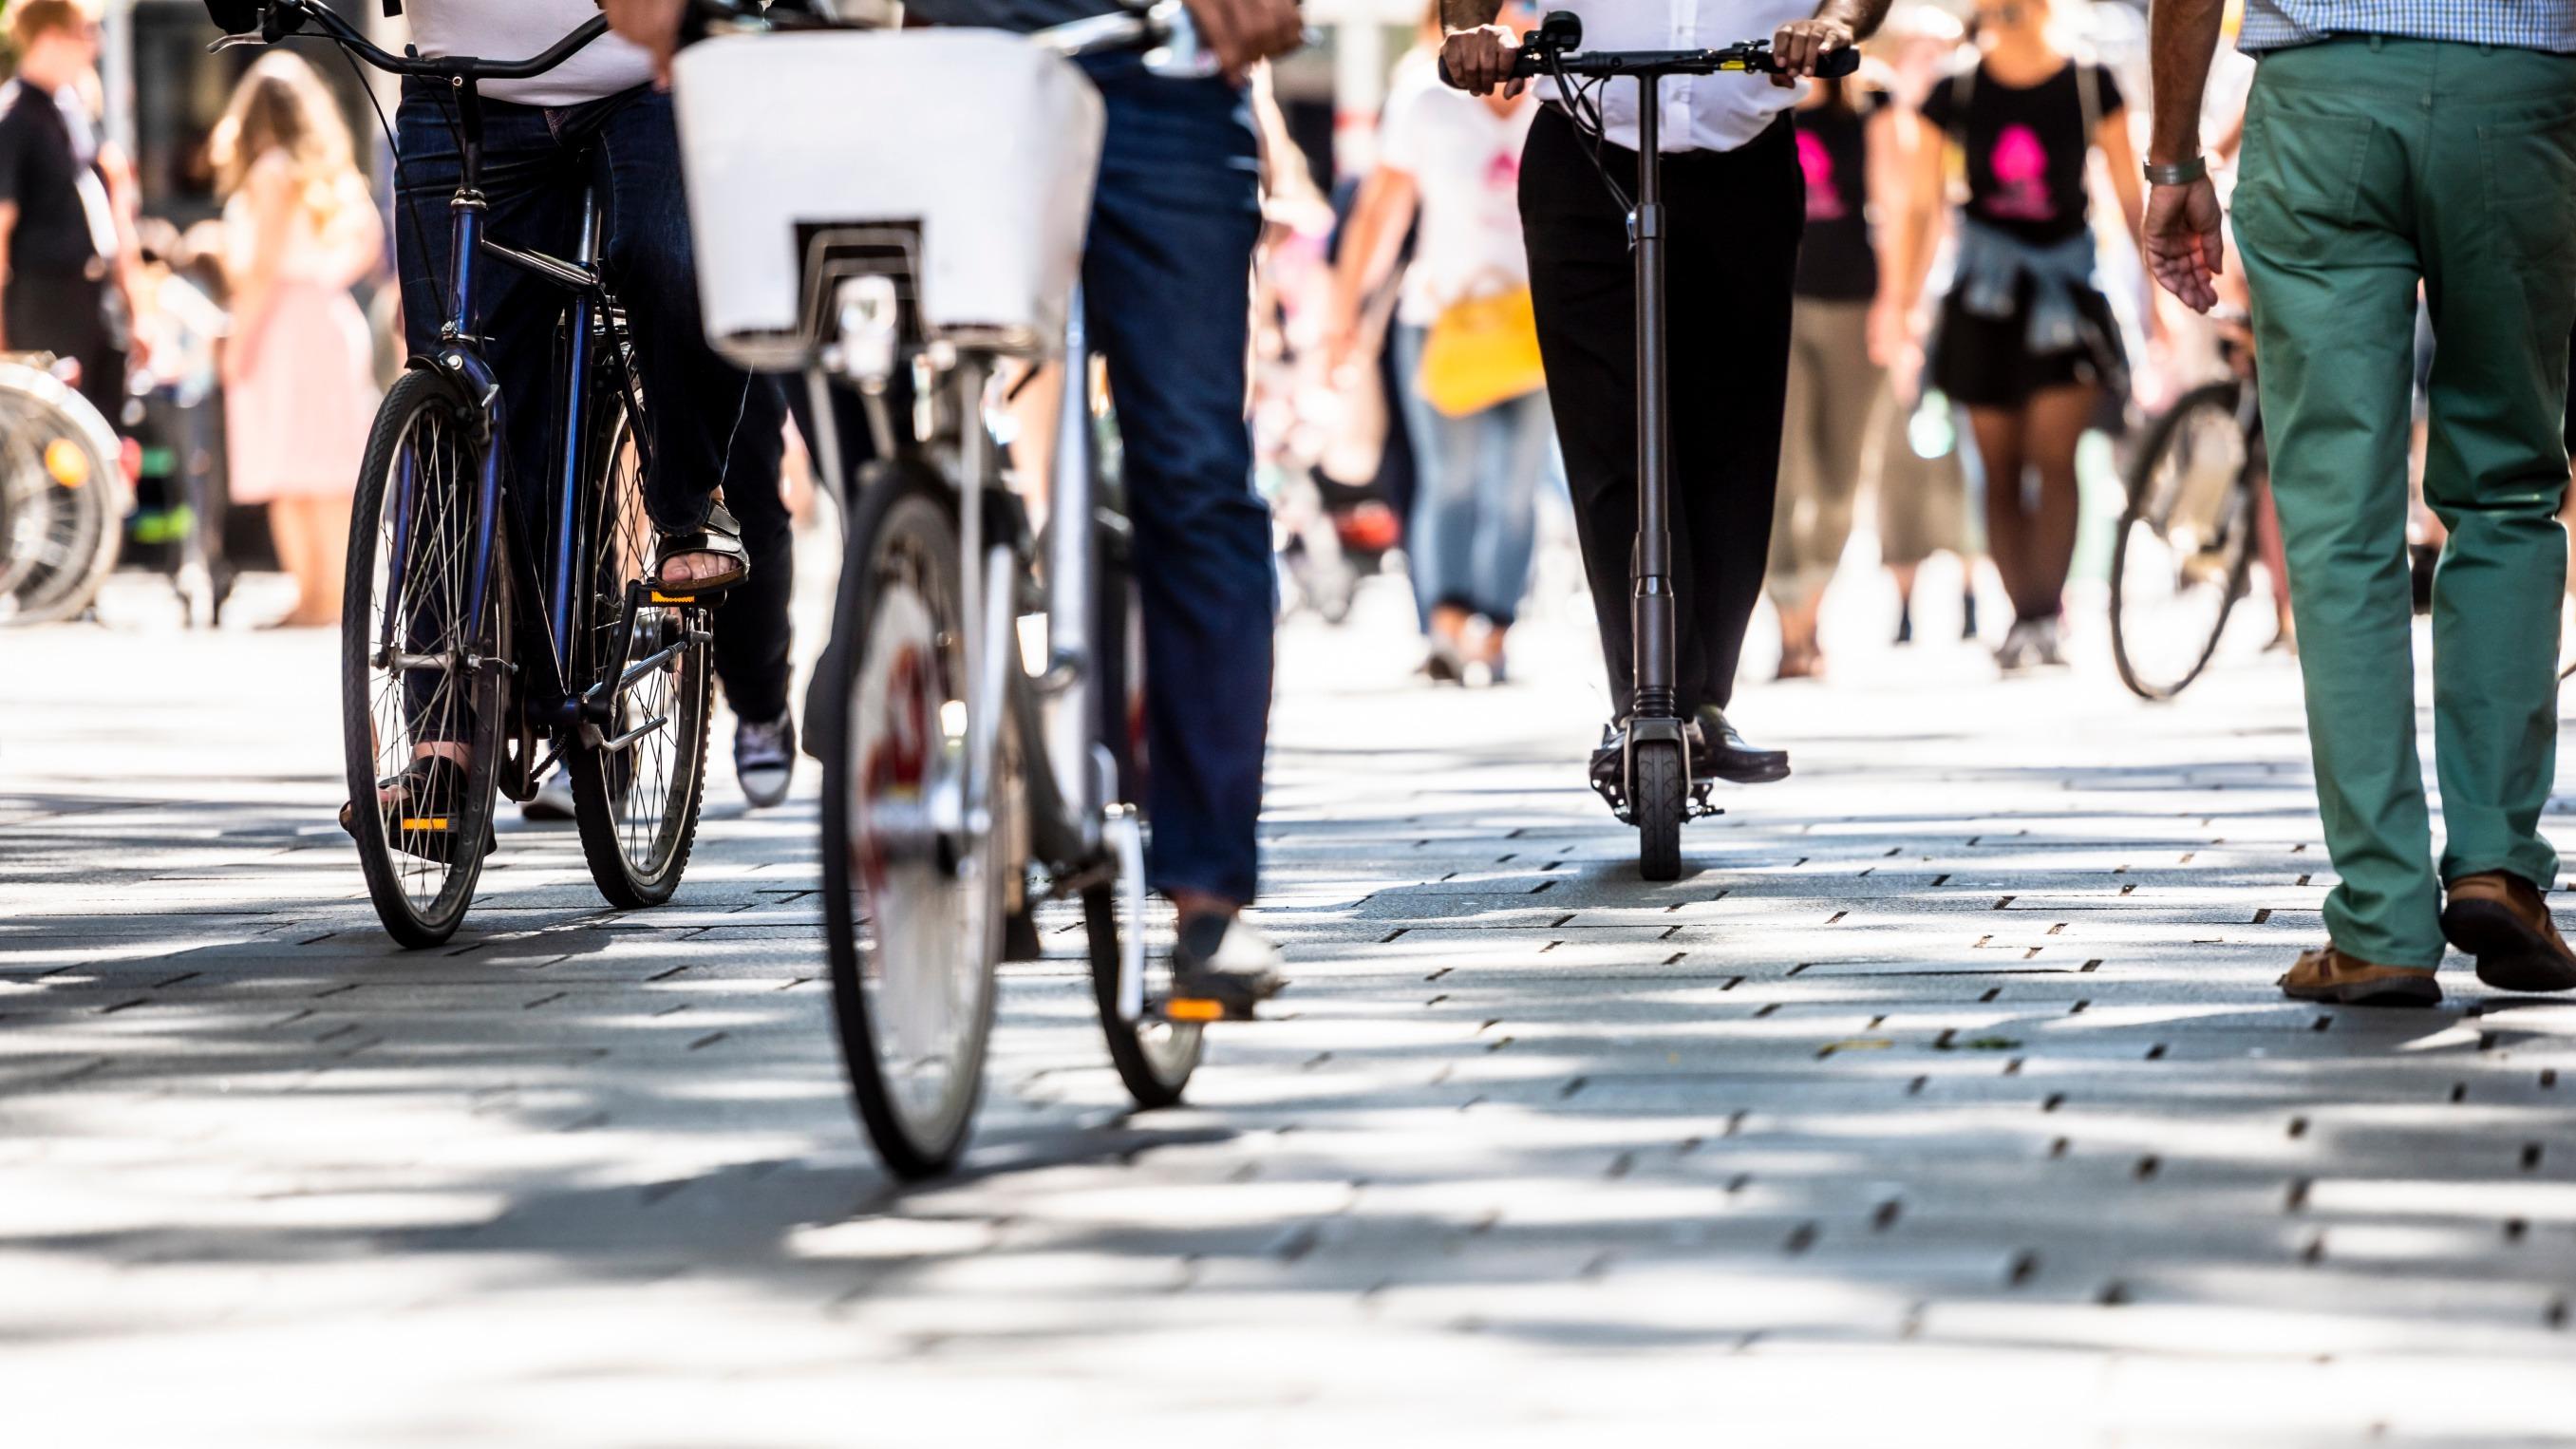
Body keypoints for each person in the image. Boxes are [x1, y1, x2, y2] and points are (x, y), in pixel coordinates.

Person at [605, 0, 1305, 1012]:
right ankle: (916, 595)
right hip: (900, 72)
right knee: (836, 356)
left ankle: (1208, 903)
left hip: (1150, 65)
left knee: (1191, 470)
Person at [2146, 0, 2576, 1006]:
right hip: (2518, 94)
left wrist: (2173, 162)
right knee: (2509, 490)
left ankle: (2382, 916)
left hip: (2323, 101)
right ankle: (2495, 864)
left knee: (2340, 525)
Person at [1443, 0, 1882, 792]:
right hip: (1584, 147)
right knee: (1605, 430)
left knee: (1733, 436)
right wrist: (1470, 29)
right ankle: (1647, 703)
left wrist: (1834, 24)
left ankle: (1704, 703)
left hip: (1743, 152)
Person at [379, 1, 801, 814]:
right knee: (453, 394)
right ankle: (443, 750)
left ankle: (687, 510)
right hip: (454, 85)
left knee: (670, 262)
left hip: (643, 81)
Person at [1899, 0, 2146, 672]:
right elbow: (1918, 207)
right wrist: (1899, 307)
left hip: (2064, 298)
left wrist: (2165, 307)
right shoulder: (1954, 90)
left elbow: (2130, 201)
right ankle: (2024, 616)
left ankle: (2044, 616)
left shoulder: (2092, 83)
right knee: (1998, 470)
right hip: (1981, 300)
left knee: (2055, 458)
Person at [1327, 0, 1561, 688]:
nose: (1514, 19)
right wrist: (1345, 310)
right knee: (1449, 483)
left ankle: (1494, 627)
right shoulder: (1423, 96)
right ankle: (1445, 627)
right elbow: (1381, 208)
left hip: (1535, 323)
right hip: (1440, 317)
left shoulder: (1559, 93)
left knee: (1516, 490)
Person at [209, 53, 381, 629]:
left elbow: (259, 272)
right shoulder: (333, 172)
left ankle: (312, 597)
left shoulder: (270, 171)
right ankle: (329, 597)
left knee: (289, 462)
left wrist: (239, 345)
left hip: (283, 321)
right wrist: (323, 276)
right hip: (330, 318)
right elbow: (368, 245)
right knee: (328, 466)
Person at [1764, 61, 1917, 679]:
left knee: (1840, 475)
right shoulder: (1755, 94)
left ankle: (1814, 606)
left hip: (1856, 305)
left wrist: (1896, 306)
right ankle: (1788, 626)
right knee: (1779, 471)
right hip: (1776, 304)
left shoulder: (1873, 98)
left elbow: (1900, 207)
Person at [0, 0, 124, 423]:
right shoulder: (13, 118)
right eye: (86, 33)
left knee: (107, 429)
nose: (96, 46)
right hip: (44, 301)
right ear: (51, 37)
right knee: (57, 433)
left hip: (94, 294)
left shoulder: (72, 109)